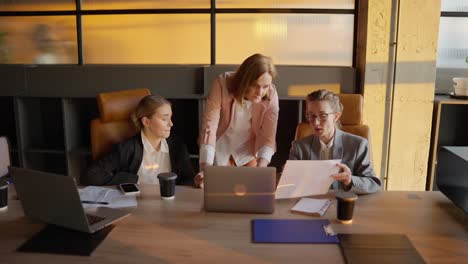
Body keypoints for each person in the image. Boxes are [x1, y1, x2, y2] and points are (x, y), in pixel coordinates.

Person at [194, 53, 279, 188]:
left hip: (248, 152)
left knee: (250, 198)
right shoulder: (222, 83)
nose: (260, 92)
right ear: (244, 81)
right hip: (221, 149)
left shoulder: (271, 94)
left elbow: (268, 136)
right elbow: (210, 126)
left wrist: (261, 169)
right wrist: (206, 168)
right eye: (255, 85)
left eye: (266, 86)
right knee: (218, 195)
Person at [83, 95, 195, 186]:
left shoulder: (177, 146)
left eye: (170, 118)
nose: (171, 124)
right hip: (137, 207)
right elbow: (90, 176)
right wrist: (131, 180)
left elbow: (188, 179)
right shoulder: (126, 149)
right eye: (164, 119)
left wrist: (196, 181)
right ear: (146, 122)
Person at [289, 89, 381, 194]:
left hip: (342, 204)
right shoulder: (299, 147)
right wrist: (288, 178)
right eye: (311, 115)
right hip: (310, 203)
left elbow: (373, 184)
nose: (316, 122)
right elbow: (290, 186)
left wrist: (350, 180)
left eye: (323, 115)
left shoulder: (358, 145)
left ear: (336, 116)